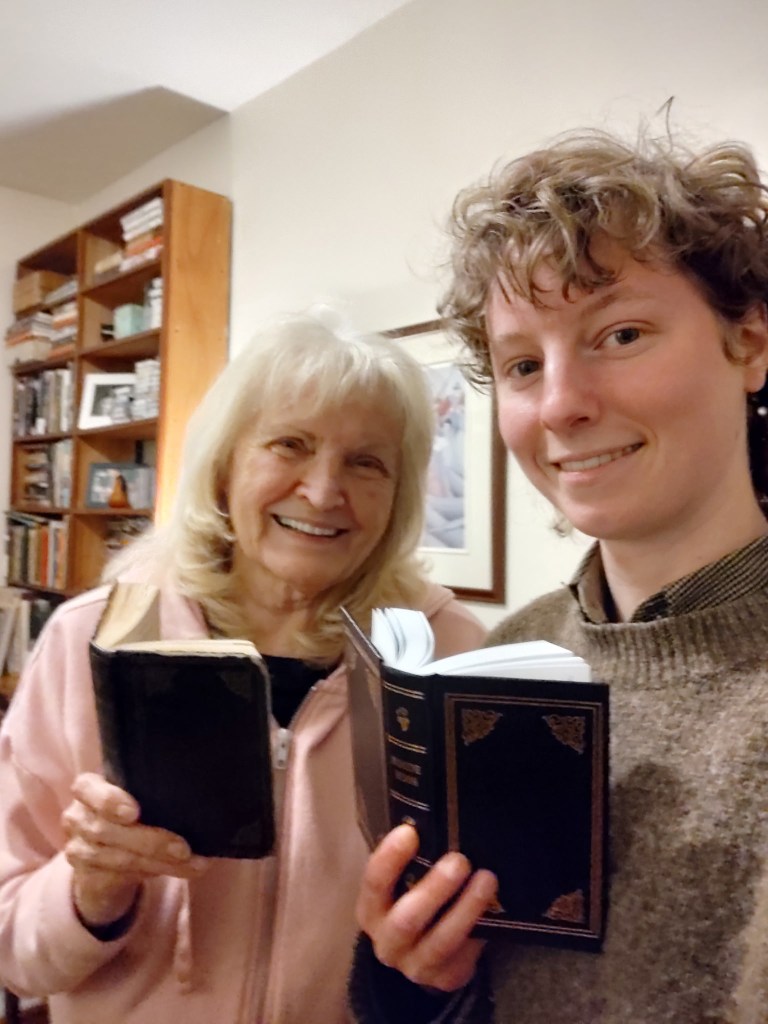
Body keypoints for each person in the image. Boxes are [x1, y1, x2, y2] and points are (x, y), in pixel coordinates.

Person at [349, 129, 768, 1024]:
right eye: (523, 365)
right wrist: (413, 977)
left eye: (620, 333)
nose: (562, 404)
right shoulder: (509, 657)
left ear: (751, 343)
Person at [0, 315, 487, 1024]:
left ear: (398, 495)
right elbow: (12, 946)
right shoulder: (94, 639)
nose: (323, 492)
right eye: (291, 445)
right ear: (226, 465)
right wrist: (91, 893)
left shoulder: (448, 655)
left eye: (366, 462)